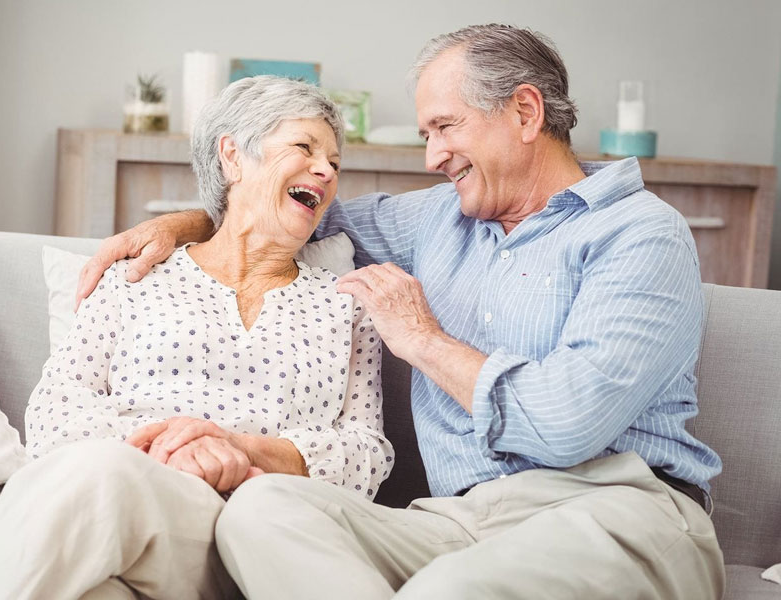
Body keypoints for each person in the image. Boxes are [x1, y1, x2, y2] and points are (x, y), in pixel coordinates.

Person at [76, 24, 726, 599]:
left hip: (617, 511)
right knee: (262, 510)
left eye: (445, 127)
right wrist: (187, 224)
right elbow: (292, 212)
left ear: (526, 112)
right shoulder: (439, 218)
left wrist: (422, 340)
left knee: (448, 591)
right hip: (461, 521)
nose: (432, 157)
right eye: (427, 135)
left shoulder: (641, 234)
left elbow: (565, 425)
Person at [0, 75, 393, 600]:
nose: (325, 170)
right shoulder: (136, 277)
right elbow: (54, 414)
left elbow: (365, 454)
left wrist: (240, 450)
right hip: (121, 511)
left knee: (102, 479)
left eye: (334, 161)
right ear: (233, 158)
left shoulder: (347, 304)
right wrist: (174, 451)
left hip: (255, 534)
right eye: (304, 147)